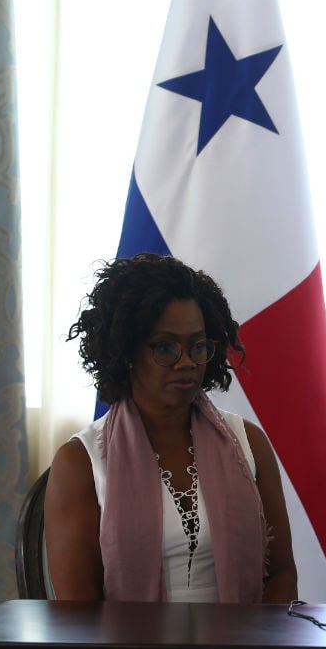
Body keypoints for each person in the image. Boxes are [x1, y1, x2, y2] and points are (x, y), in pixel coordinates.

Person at [44, 253, 297, 603]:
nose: (186, 362)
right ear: (126, 351)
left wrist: (252, 639)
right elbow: (77, 611)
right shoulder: (80, 462)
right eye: (165, 347)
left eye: (197, 346)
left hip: (243, 636)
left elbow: (281, 573)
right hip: (126, 639)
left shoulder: (248, 442)